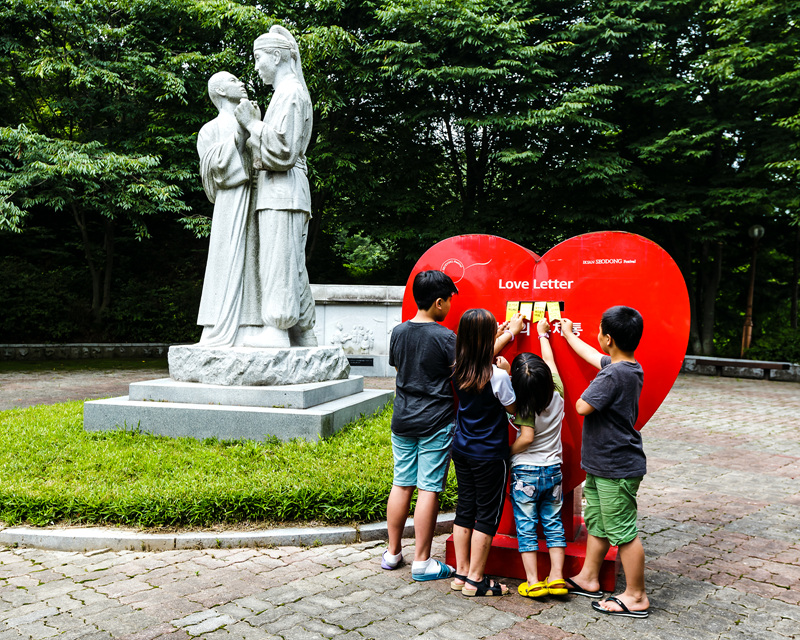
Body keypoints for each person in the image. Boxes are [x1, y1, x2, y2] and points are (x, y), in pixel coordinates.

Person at [560, 306, 650, 618]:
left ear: (608, 338)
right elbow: (592, 355)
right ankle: (588, 577)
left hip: (616, 467)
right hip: (603, 465)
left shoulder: (612, 374)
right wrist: (569, 335)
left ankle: (636, 595)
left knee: (623, 532)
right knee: (597, 524)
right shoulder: (628, 366)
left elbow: (583, 406)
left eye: (599, 331)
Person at [234, 26, 317, 348]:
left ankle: (277, 329)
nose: (256, 67)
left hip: (282, 189)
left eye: (258, 58)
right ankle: (304, 333)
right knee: (292, 265)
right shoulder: (287, 92)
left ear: (277, 55)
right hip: (281, 191)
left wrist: (251, 123)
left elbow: (283, 151)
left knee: (278, 262)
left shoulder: (291, 92)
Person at [382, 270, 459, 581]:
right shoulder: (445, 337)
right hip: (435, 421)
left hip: (402, 419)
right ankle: (423, 561)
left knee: (402, 483)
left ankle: (392, 553)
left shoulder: (398, 332)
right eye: (450, 301)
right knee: (429, 487)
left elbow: (402, 370)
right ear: (438, 302)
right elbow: (464, 373)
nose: (451, 306)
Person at [449, 308, 518, 597]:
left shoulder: (457, 368)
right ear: (487, 338)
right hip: (490, 455)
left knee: (465, 509)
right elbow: (514, 409)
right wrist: (510, 372)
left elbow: (479, 354)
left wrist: (507, 333)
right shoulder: (498, 377)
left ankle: (462, 573)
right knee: (487, 515)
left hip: (462, 449)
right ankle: (476, 580)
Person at [195, 72, 262, 347]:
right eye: (234, 81)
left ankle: (255, 325)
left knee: (257, 259)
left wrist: (255, 127)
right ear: (220, 91)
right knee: (228, 259)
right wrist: (239, 133)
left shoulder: (256, 120)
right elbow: (212, 171)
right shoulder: (209, 129)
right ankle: (222, 326)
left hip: (259, 198)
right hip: (229, 204)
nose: (242, 83)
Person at [507, 318, 568, 599]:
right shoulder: (558, 393)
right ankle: (556, 577)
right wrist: (543, 336)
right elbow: (549, 363)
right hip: (553, 469)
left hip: (526, 473)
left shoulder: (524, 406)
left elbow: (527, 437)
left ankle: (532, 581)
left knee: (526, 526)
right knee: (553, 523)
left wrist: (508, 454)